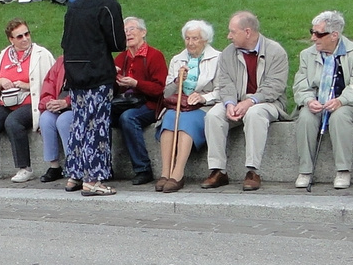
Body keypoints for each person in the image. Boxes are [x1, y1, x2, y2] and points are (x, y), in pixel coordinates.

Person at [60, 0, 131, 196]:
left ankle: (74, 175)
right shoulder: (108, 6)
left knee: (79, 123)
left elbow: (65, 41)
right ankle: (94, 179)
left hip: (74, 71)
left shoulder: (75, 6)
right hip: (97, 73)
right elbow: (118, 43)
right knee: (97, 126)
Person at [291, 11, 353, 190]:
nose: (312, 38)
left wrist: (341, 100)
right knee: (306, 116)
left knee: (339, 116)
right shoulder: (306, 55)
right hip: (317, 102)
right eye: (312, 32)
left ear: (334, 35)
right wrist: (309, 100)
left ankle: (343, 170)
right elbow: (300, 84)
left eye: (318, 34)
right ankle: (305, 171)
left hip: (349, 103)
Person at [201, 11, 290, 192]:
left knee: (255, 113)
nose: (229, 36)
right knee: (213, 115)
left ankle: (252, 171)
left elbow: (275, 86)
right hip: (237, 101)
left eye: (233, 32)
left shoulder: (275, 52)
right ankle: (218, 170)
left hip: (269, 102)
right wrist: (229, 104)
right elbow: (225, 83)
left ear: (247, 32)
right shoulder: (227, 54)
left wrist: (250, 101)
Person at [0, 18, 54, 183]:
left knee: (13, 123)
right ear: (11, 39)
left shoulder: (41, 54)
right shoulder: (4, 54)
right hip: (7, 101)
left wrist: (28, 85)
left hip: (31, 102)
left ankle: (25, 168)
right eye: (19, 36)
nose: (25, 39)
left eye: (26, 34)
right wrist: (0, 82)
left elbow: (51, 82)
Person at [154, 20, 220, 192]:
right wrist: (177, 82)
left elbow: (223, 90)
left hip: (203, 107)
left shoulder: (217, 59)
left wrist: (203, 98)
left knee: (186, 121)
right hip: (179, 105)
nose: (190, 43)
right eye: (188, 38)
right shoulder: (178, 59)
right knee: (168, 118)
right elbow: (166, 93)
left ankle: (178, 173)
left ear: (205, 40)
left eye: (195, 39)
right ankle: (165, 172)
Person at [112, 16, 169, 186]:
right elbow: (114, 92)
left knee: (128, 118)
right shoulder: (121, 58)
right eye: (124, 31)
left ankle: (143, 169)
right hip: (124, 102)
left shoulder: (154, 56)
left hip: (150, 104)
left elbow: (160, 89)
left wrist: (136, 83)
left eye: (131, 29)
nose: (128, 34)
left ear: (143, 32)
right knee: (101, 115)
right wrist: (112, 79)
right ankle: (103, 166)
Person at [36, 54, 73, 185]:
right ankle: (54, 166)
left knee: (63, 120)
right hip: (59, 104)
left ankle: (73, 166)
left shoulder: (87, 59)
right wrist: (49, 102)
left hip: (78, 107)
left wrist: (67, 102)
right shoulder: (61, 60)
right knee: (46, 118)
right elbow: (49, 84)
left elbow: (87, 91)